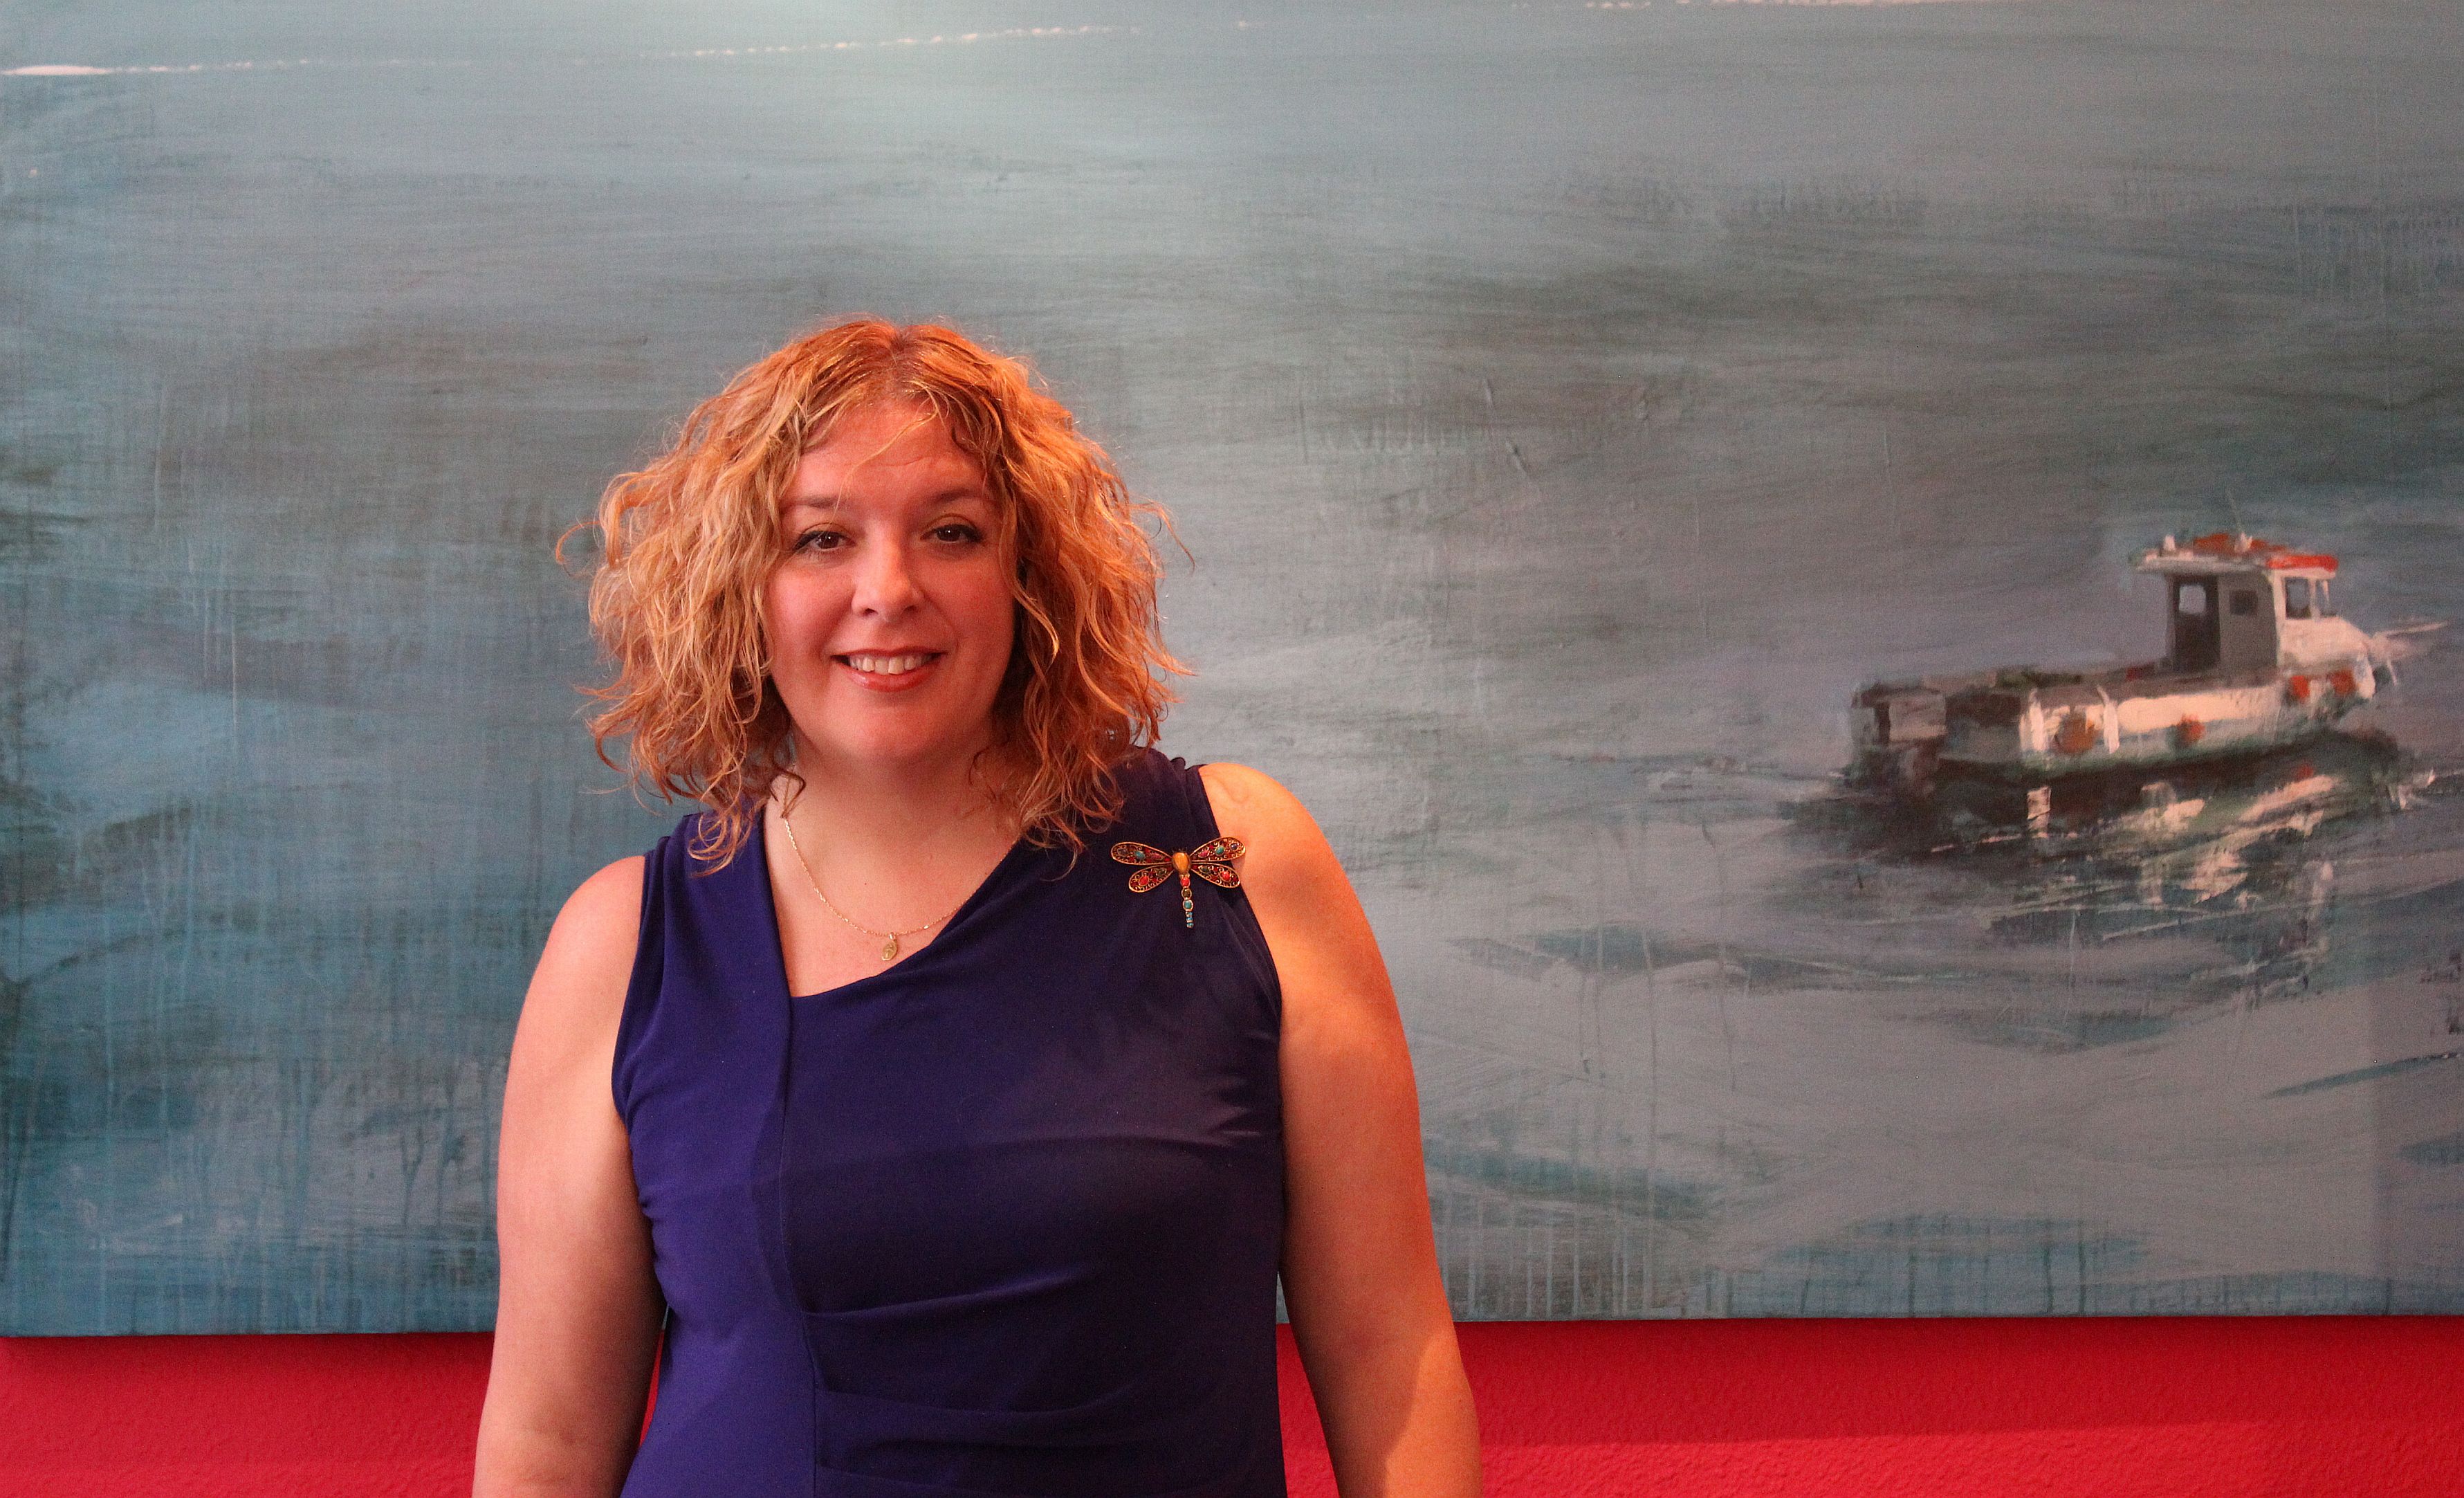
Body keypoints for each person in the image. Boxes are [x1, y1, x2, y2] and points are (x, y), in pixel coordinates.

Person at [472, 320, 1480, 1498]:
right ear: (738, 590)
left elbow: (1388, 1348)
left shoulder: (1231, 865)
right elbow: (547, 1438)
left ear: (1028, 574)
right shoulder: (627, 944)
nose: (887, 590)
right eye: (820, 538)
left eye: (951, 531)